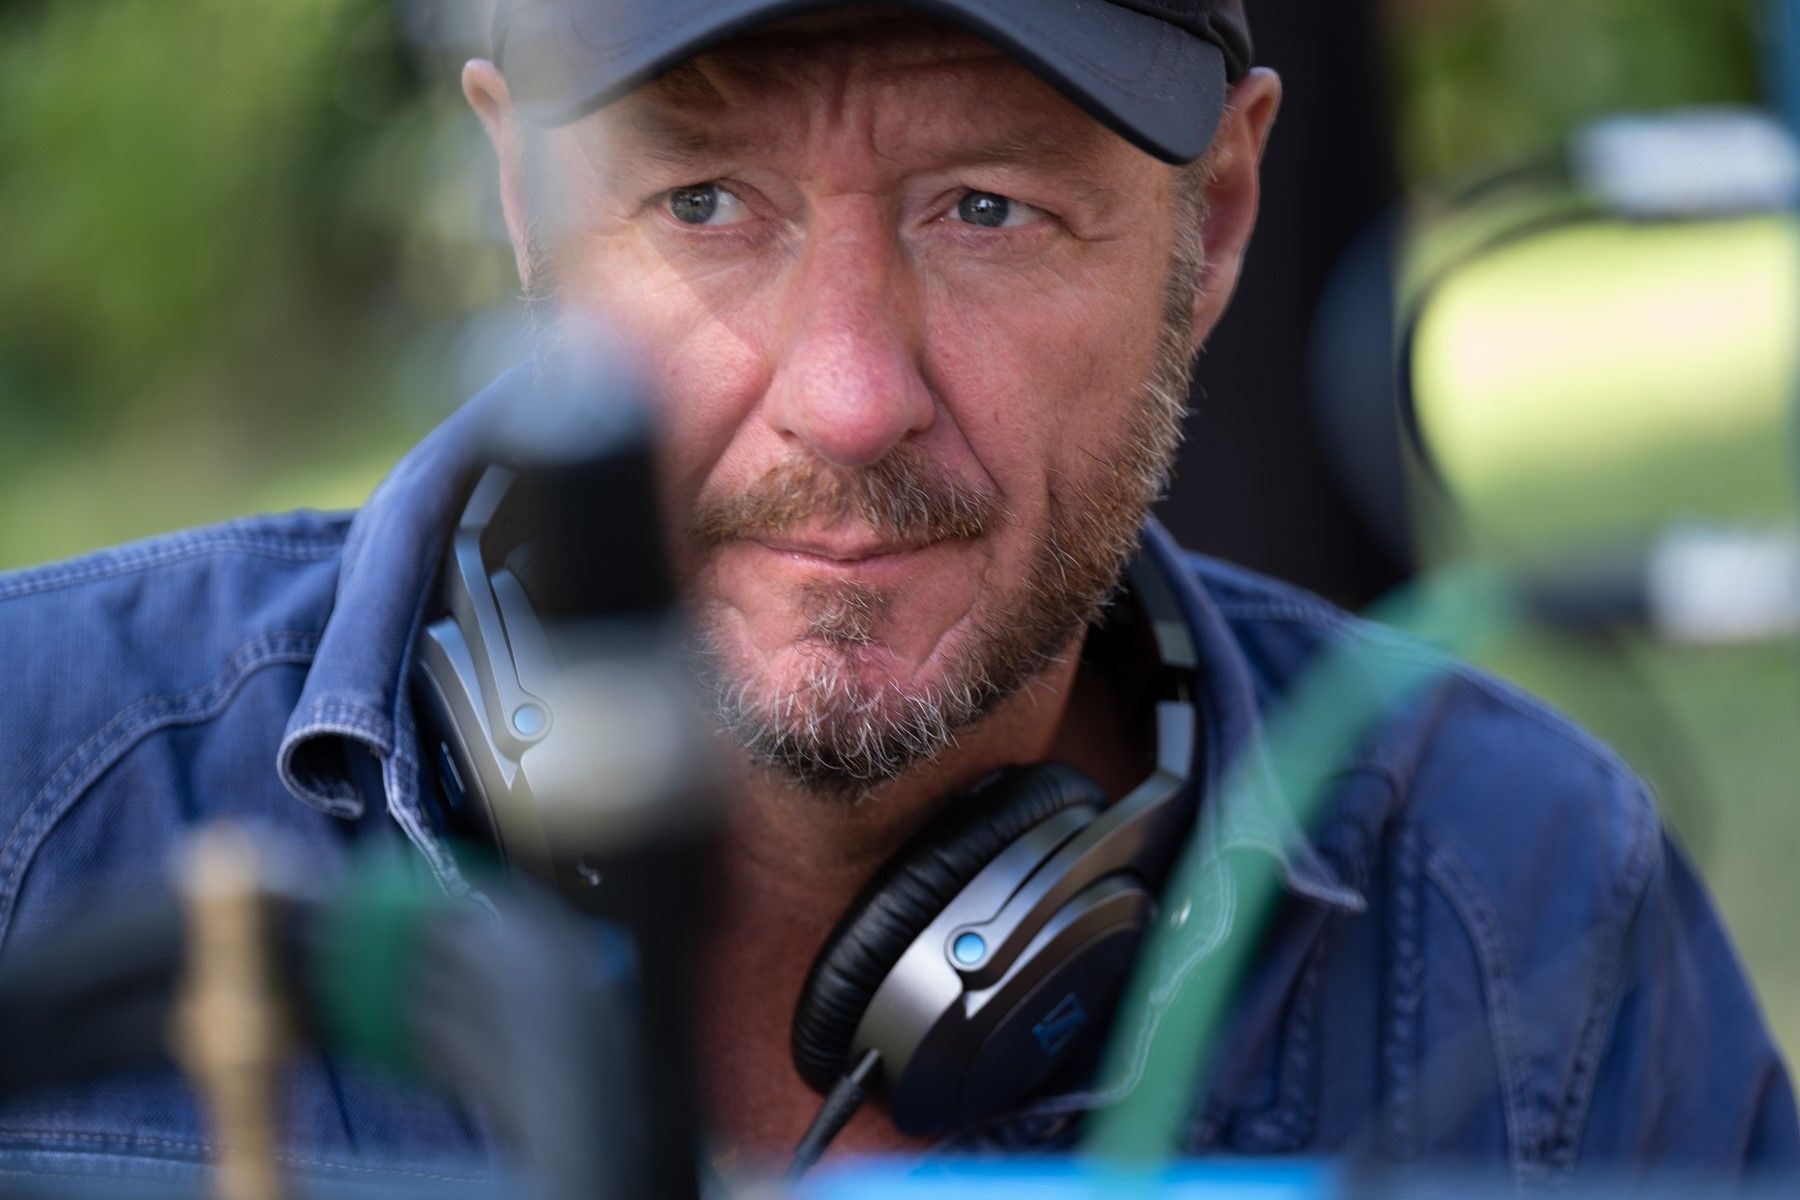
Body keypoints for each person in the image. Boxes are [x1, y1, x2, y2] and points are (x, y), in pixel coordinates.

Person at [0, 0, 1793, 1191]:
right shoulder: (34, 785)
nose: (852, 398)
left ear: (1218, 219)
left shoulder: (1539, 911)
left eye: (987, 209)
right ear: (526, 199)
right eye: (707, 201)